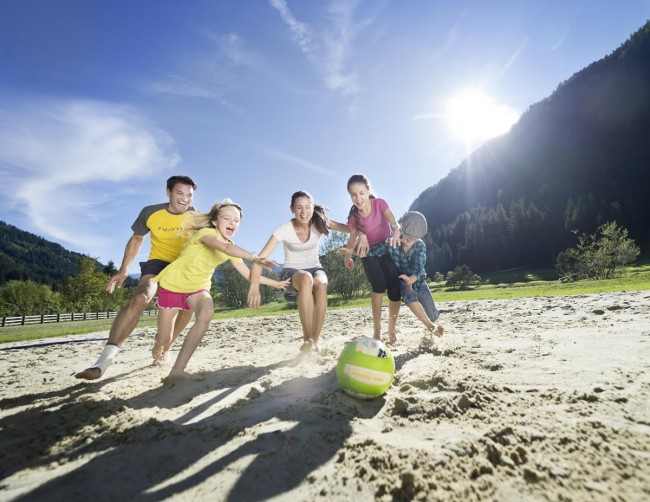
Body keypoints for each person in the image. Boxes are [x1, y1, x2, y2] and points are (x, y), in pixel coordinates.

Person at [75, 175, 198, 380]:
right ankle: (103, 361)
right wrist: (124, 270)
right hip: (157, 263)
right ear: (168, 192)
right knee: (140, 297)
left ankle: (164, 348)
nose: (185, 199)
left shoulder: (197, 217)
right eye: (179, 193)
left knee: (189, 308)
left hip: (183, 266)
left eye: (189, 195)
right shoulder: (150, 212)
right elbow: (137, 239)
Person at [155, 200, 288, 381]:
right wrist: (254, 257)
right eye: (227, 218)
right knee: (164, 339)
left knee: (207, 312)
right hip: (173, 285)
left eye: (236, 220)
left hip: (198, 289)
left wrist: (276, 284)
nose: (232, 223)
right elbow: (224, 247)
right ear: (216, 222)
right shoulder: (205, 233)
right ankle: (159, 347)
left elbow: (249, 275)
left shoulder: (231, 246)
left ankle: (178, 370)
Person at [247, 191, 351, 353]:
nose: (304, 212)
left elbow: (350, 229)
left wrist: (364, 232)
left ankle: (314, 341)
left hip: (315, 268)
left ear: (312, 208)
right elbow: (259, 259)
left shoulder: (319, 221)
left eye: (308, 207)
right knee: (306, 278)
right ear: (292, 209)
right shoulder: (284, 229)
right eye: (299, 208)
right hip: (291, 272)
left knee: (321, 284)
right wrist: (254, 287)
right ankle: (307, 338)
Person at [340, 174, 403, 346]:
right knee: (378, 285)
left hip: (387, 249)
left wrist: (397, 232)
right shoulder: (354, 216)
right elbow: (352, 239)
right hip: (368, 253)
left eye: (361, 193)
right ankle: (377, 329)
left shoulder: (380, 203)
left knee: (394, 289)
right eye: (353, 195)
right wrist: (348, 257)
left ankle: (391, 331)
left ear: (368, 190)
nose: (358, 198)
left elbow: (394, 223)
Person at [388, 211, 444, 342]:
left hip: (419, 282)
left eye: (413, 239)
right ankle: (431, 327)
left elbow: (419, 269)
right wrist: (352, 251)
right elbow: (375, 249)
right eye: (407, 236)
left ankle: (433, 323)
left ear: (418, 238)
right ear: (402, 229)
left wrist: (412, 279)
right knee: (408, 295)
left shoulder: (420, 245)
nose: (408, 241)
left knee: (433, 314)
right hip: (402, 280)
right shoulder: (392, 242)